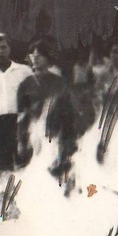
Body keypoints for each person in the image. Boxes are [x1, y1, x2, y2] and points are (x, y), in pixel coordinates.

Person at [17, 40, 79, 184]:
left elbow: (68, 113)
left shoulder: (59, 82)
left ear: (47, 57)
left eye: (39, 55)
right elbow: (21, 115)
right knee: (37, 171)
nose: (35, 57)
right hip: (34, 135)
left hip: (57, 135)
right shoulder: (25, 84)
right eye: (32, 55)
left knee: (57, 171)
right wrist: (21, 141)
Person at [0, 33, 34, 174]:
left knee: (23, 162)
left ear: (9, 49)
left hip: (18, 121)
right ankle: (3, 194)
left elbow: (33, 97)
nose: (0, 51)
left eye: (3, 47)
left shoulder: (24, 71)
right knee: (0, 165)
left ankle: (23, 194)